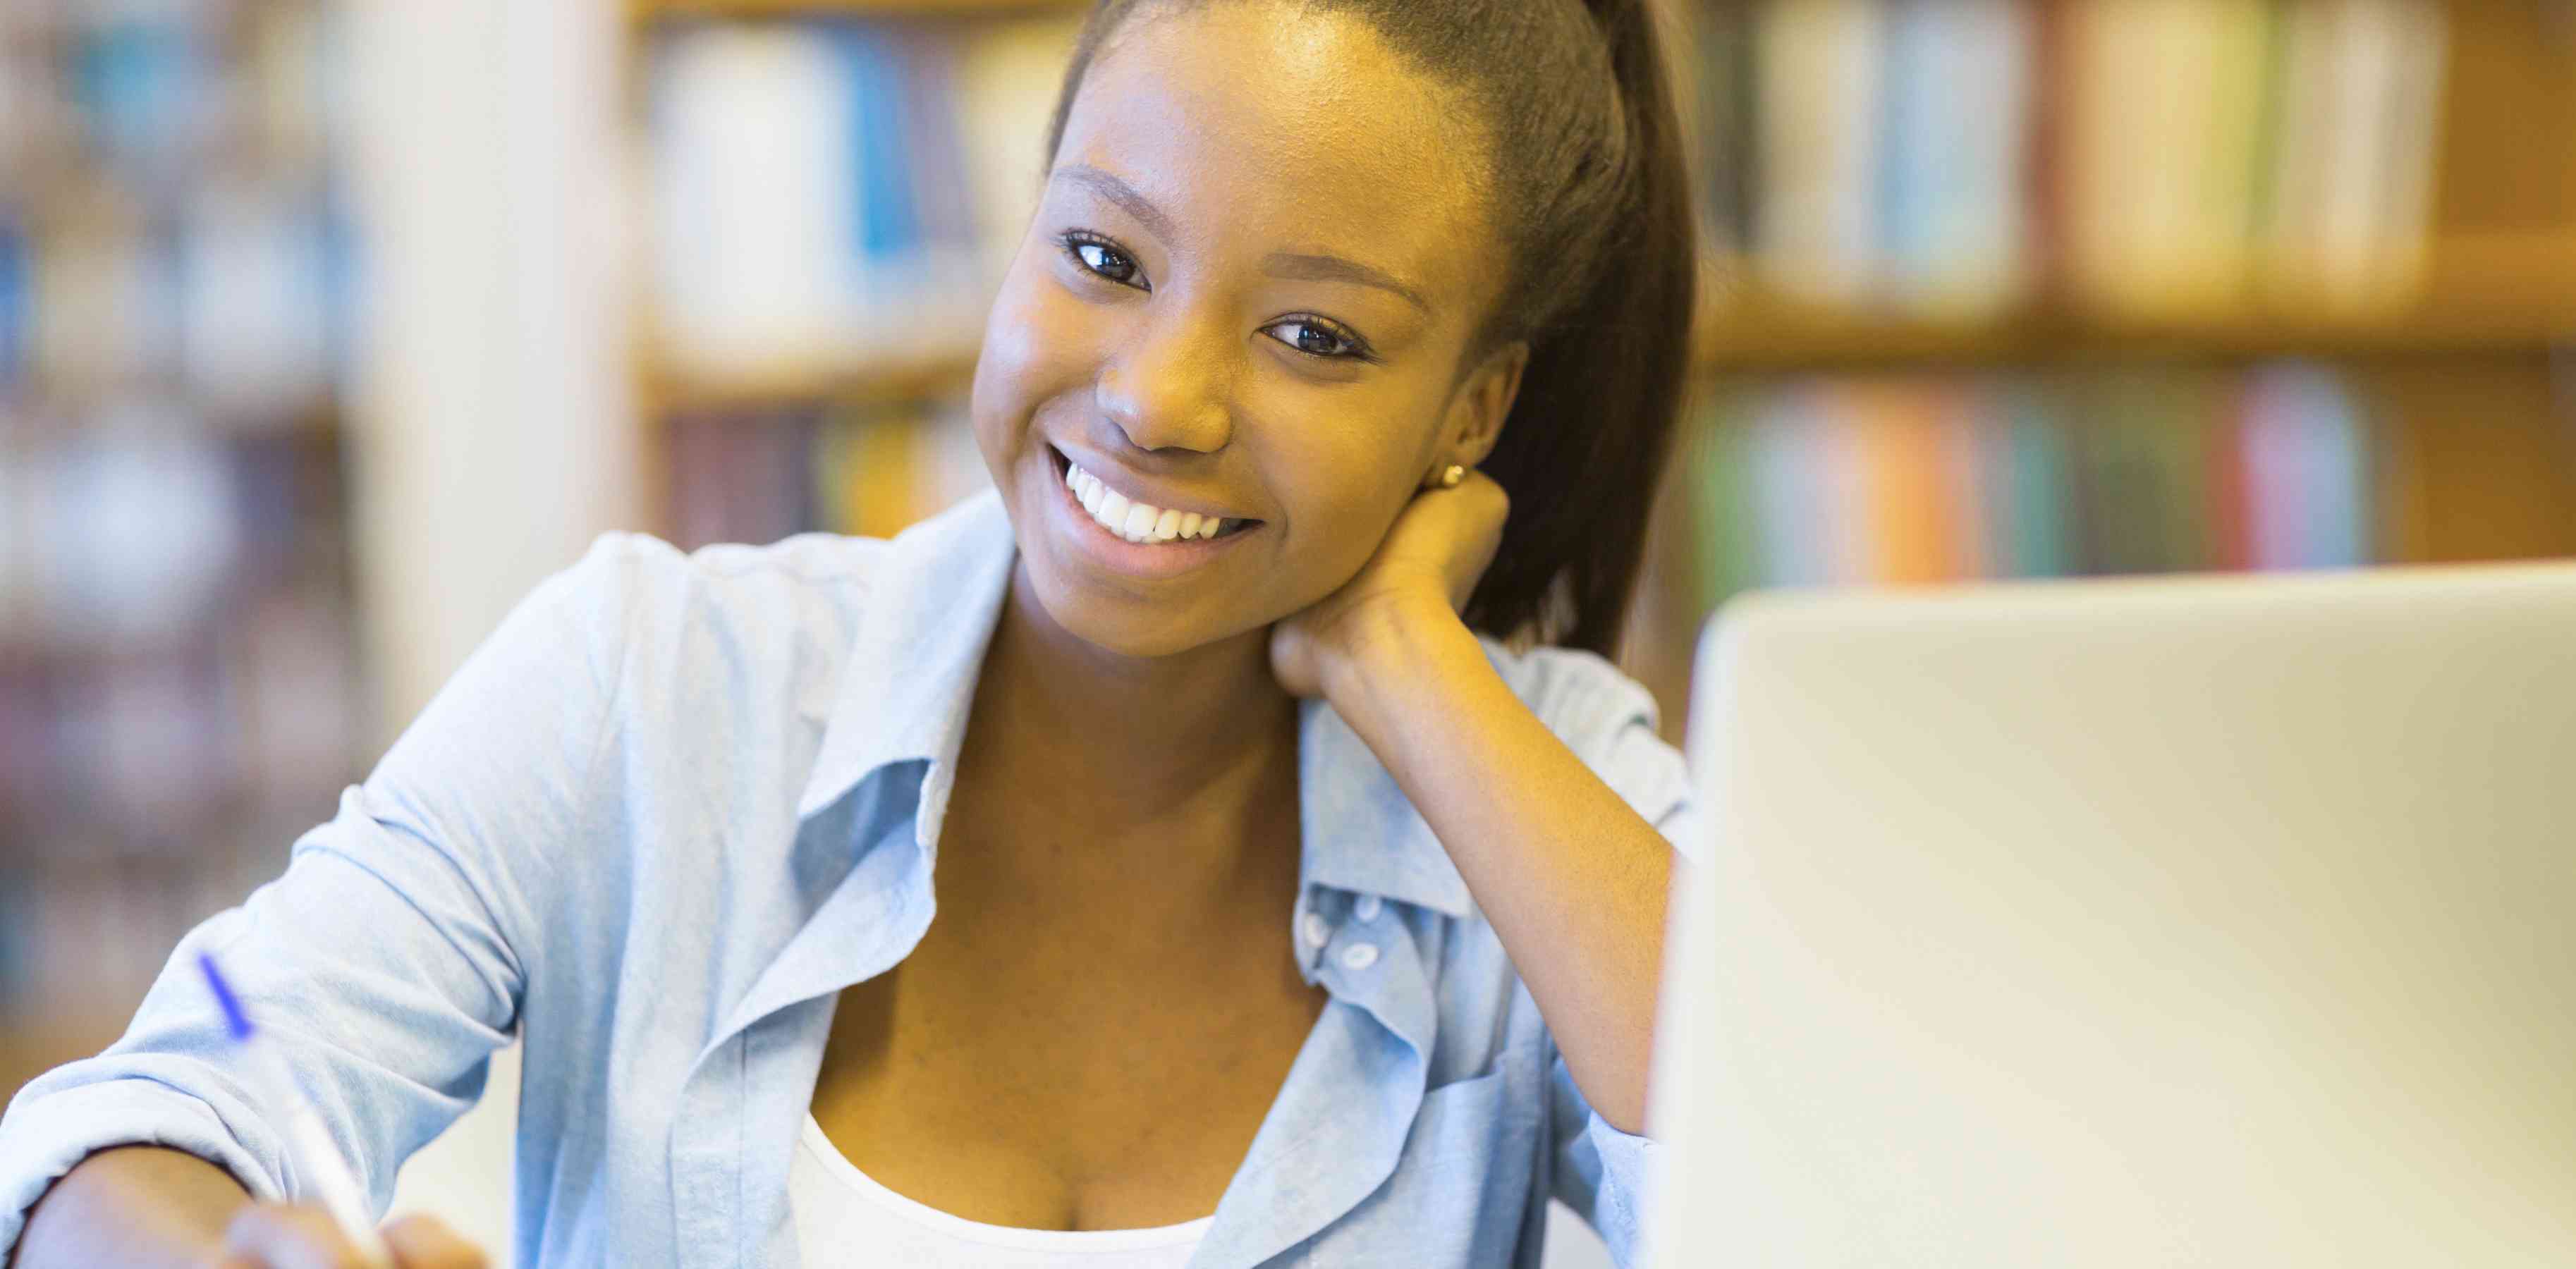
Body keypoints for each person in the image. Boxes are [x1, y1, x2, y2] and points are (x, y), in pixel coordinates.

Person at [0, 0, 1697, 1263]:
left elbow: (1824, 1189)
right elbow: (182, 1070)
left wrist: (1411, 663)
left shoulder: (1552, 794)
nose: (1157, 399)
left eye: (1316, 337)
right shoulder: (650, 683)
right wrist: (224, 1257)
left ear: (1472, 405)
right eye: (1103, 254)